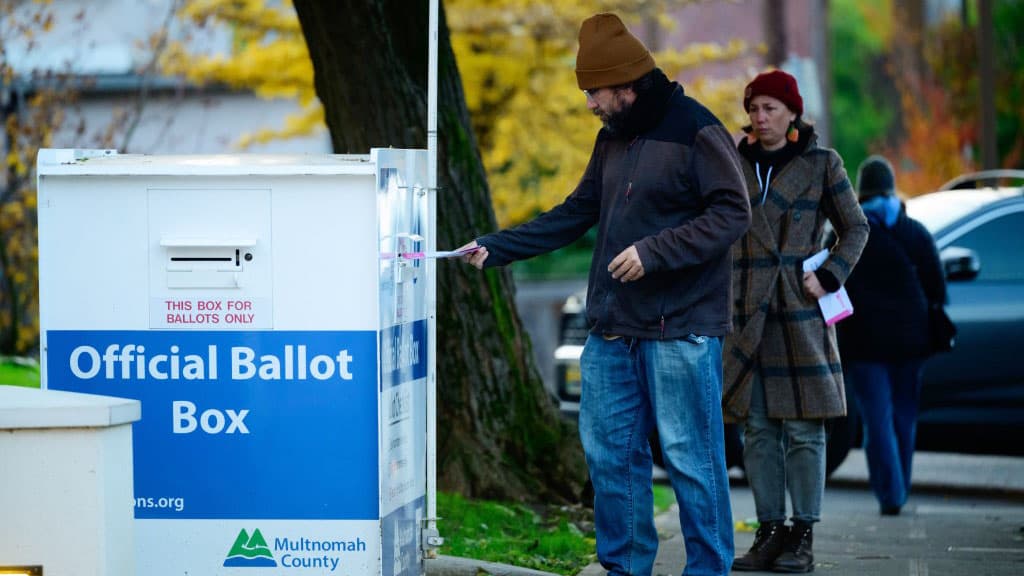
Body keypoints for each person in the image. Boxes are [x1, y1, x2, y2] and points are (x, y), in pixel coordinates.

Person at [459, 13, 751, 576]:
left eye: (594, 92)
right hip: (613, 331)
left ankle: (709, 570)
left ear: (627, 84)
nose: (589, 103)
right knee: (611, 460)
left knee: (693, 461)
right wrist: (497, 247)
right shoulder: (612, 138)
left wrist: (654, 251)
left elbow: (733, 213)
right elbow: (576, 212)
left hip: (681, 330)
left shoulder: (698, 130)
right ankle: (624, 568)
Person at [722, 70, 868, 573]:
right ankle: (770, 531)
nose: (759, 118)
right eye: (754, 109)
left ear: (792, 114)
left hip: (799, 312)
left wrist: (829, 275)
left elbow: (856, 227)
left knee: (805, 431)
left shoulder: (822, 164)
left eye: (770, 109)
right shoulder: (732, 163)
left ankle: (803, 533)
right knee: (757, 431)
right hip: (745, 315)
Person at [835, 155, 946, 516]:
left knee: (877, 420)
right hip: (912, 343)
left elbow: (832, 282)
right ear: (891, 188)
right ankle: (901, 487)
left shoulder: (847, 233)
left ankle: (891, 494)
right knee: (904, 417)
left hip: (864, 343)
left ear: (861, 191)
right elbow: (937, 288)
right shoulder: (913, 231)